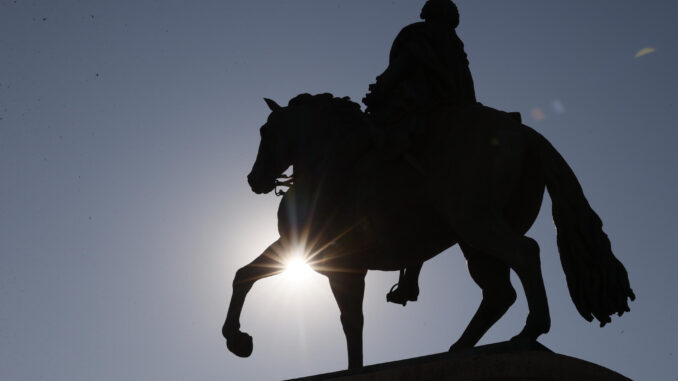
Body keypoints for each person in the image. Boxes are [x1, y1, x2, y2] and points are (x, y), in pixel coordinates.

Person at [363, 0, 477, 305]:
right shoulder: (454, 43)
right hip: (455, 113)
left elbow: (400, 69)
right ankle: (410, 279)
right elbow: (465, 85)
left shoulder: (416, 34)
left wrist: (379, 90)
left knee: (374, 154)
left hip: (417, 113)